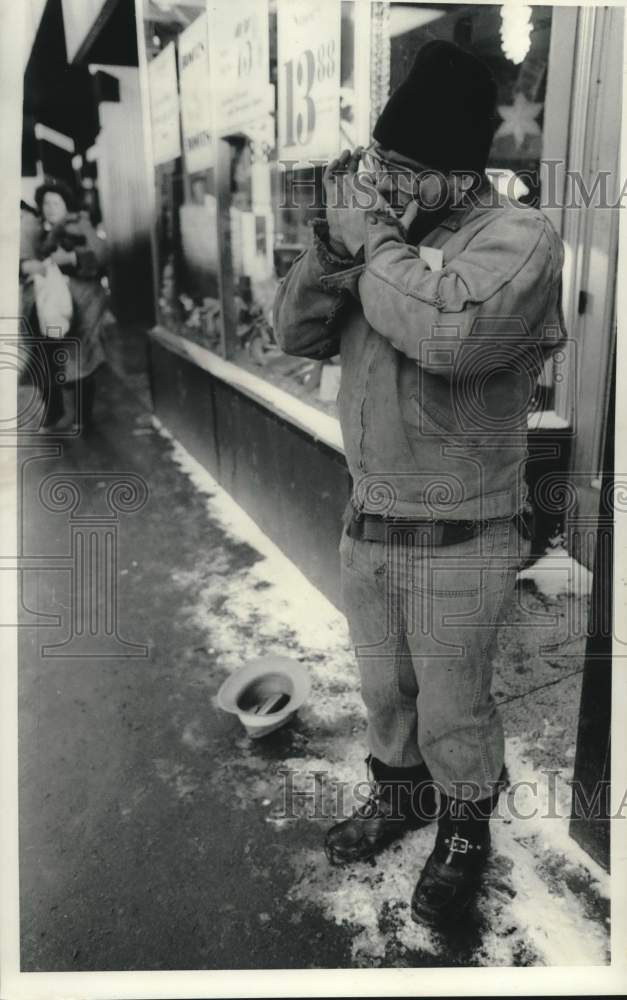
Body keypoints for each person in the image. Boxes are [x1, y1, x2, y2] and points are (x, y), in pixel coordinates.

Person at [273, 40, 566, 925]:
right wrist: (330, 246)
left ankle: (464, 827)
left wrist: (371, 240)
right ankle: (399, 795)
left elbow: (449, 338)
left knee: (452, 702)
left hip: (461, 534)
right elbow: (292, 334)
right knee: (384, 691)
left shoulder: (516, 238)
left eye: (404, 168)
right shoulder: (379, 237)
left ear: (456, 169)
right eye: (378, 161)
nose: (384, 180)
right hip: (369, 516)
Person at [19, 178, 110, 432]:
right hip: (53, 303)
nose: (50, 207)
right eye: (46, 202)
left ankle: (83, 417)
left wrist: (70, 257)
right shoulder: (40, 231)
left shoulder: (79, 223)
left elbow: (102, 255)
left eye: (55, 202)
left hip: (84, 301)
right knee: (48, 356)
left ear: (66, 204)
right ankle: (55, 412)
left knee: (81, 356)